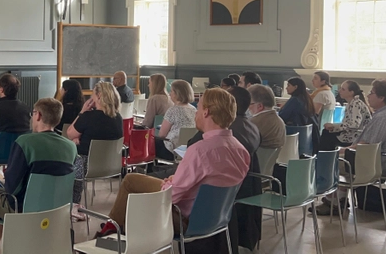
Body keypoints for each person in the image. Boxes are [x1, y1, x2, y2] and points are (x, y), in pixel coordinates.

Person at [96, 88, 249, 237]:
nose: (196, 112)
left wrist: (170, 183)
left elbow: (171, 196)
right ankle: (114, 230)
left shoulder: (199, 151)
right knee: (145, 182)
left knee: (131, 181)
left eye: (199, 107)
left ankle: (112, 231)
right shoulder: (241, 150)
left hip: (185, 219)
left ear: (206, 112)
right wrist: (175, 180)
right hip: (218, 218)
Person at [0, 98, 77, 251]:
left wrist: (4, 178)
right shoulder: (70, 147)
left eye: (33, 113)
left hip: (21, 208)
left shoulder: (25, 142)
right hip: (57, 209)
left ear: (39, 116)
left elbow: (11, 189)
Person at [316, 80, 386, 215]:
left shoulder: (384, 117)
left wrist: (341, 151)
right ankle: (338, 200)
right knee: (340, 158)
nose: (368, 96)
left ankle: (334, 201)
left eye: (372, 93)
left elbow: (366, 146)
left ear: (382, 98)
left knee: (331, 161)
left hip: (383, 163)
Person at [67, 82, 123, 218]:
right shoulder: (118, 118)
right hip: (111, 166)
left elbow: (70, 133)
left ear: (98, 96)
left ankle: (73, 204)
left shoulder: (88, 117)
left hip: (86, 165)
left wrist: (82, 112)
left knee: (69, 161)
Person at [320, 81, 371, 151]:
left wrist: (334, 126)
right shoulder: (351, 103)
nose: (339, 91)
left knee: (327, 136)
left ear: (351, 92)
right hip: (352, 133)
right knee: (327, 132)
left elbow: (354, 125)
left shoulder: (356, 104)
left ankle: (326, 157)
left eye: (343, 89)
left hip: (355, 136)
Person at [156, 80, 196, 161]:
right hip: (189, 148)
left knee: (152, 142)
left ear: (177, 93)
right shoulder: (194, 110)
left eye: (171, 91)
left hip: (172, 149)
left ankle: (150, 171)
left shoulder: (173, 110)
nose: (170, 94)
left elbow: (162, 135)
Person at [247, 84, 286, 149]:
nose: (247, 107)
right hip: (272, 158)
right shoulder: (280, 121)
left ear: (260, 106)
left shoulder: (253, 124)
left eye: (249, 104)